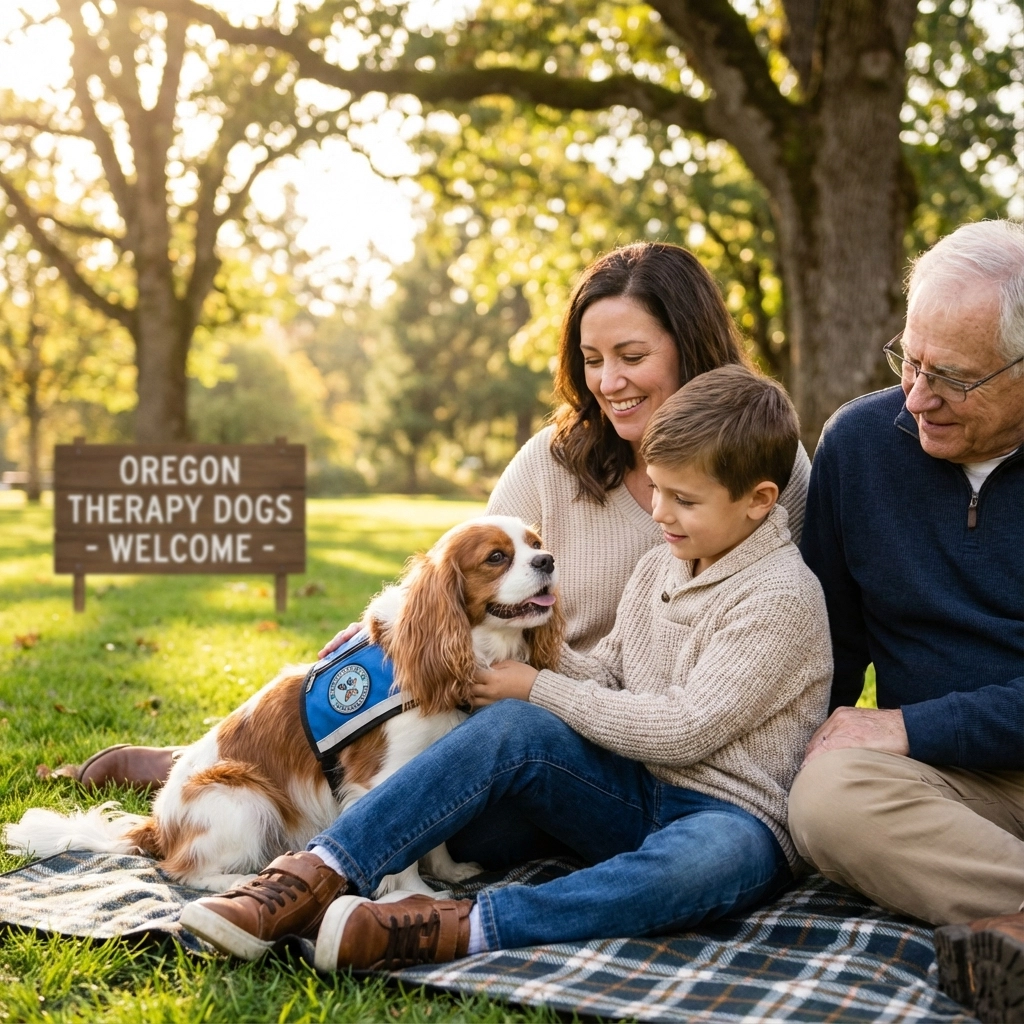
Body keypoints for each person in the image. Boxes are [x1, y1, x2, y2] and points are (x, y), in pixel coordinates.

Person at [72, 242, 811, 801]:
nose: (608, 383)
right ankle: (211, 764)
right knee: (385, 721)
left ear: (695, 348)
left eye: (632, 356)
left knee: (463, 784)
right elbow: (465, 576)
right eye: (591, 359)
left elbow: (788, 626)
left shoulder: (772, 472)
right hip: (516, 698)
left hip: (656, 733)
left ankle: (298, 831)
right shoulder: (555, 460)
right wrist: (385, 638)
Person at [178, 364, 832, 968]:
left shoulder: (780, 596)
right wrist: (511, 648)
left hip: (734, 816)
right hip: (630, 790)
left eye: (682, 500)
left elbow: (686, 729)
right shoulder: (662, 563)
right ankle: (313, 874)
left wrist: (539, 685)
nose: (659, 513)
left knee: (692, 870)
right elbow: (607, 674)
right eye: (657, 491)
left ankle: (449, 927)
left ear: (758, 499)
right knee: (512, 726)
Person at [786, 221, 1023, 1016]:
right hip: (950, 792)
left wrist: (907, 727)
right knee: (827, 799)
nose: (917, 398)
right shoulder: (858, 445)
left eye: (952, 377)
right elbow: (826, 654)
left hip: (944, 746)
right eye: (910, 362)